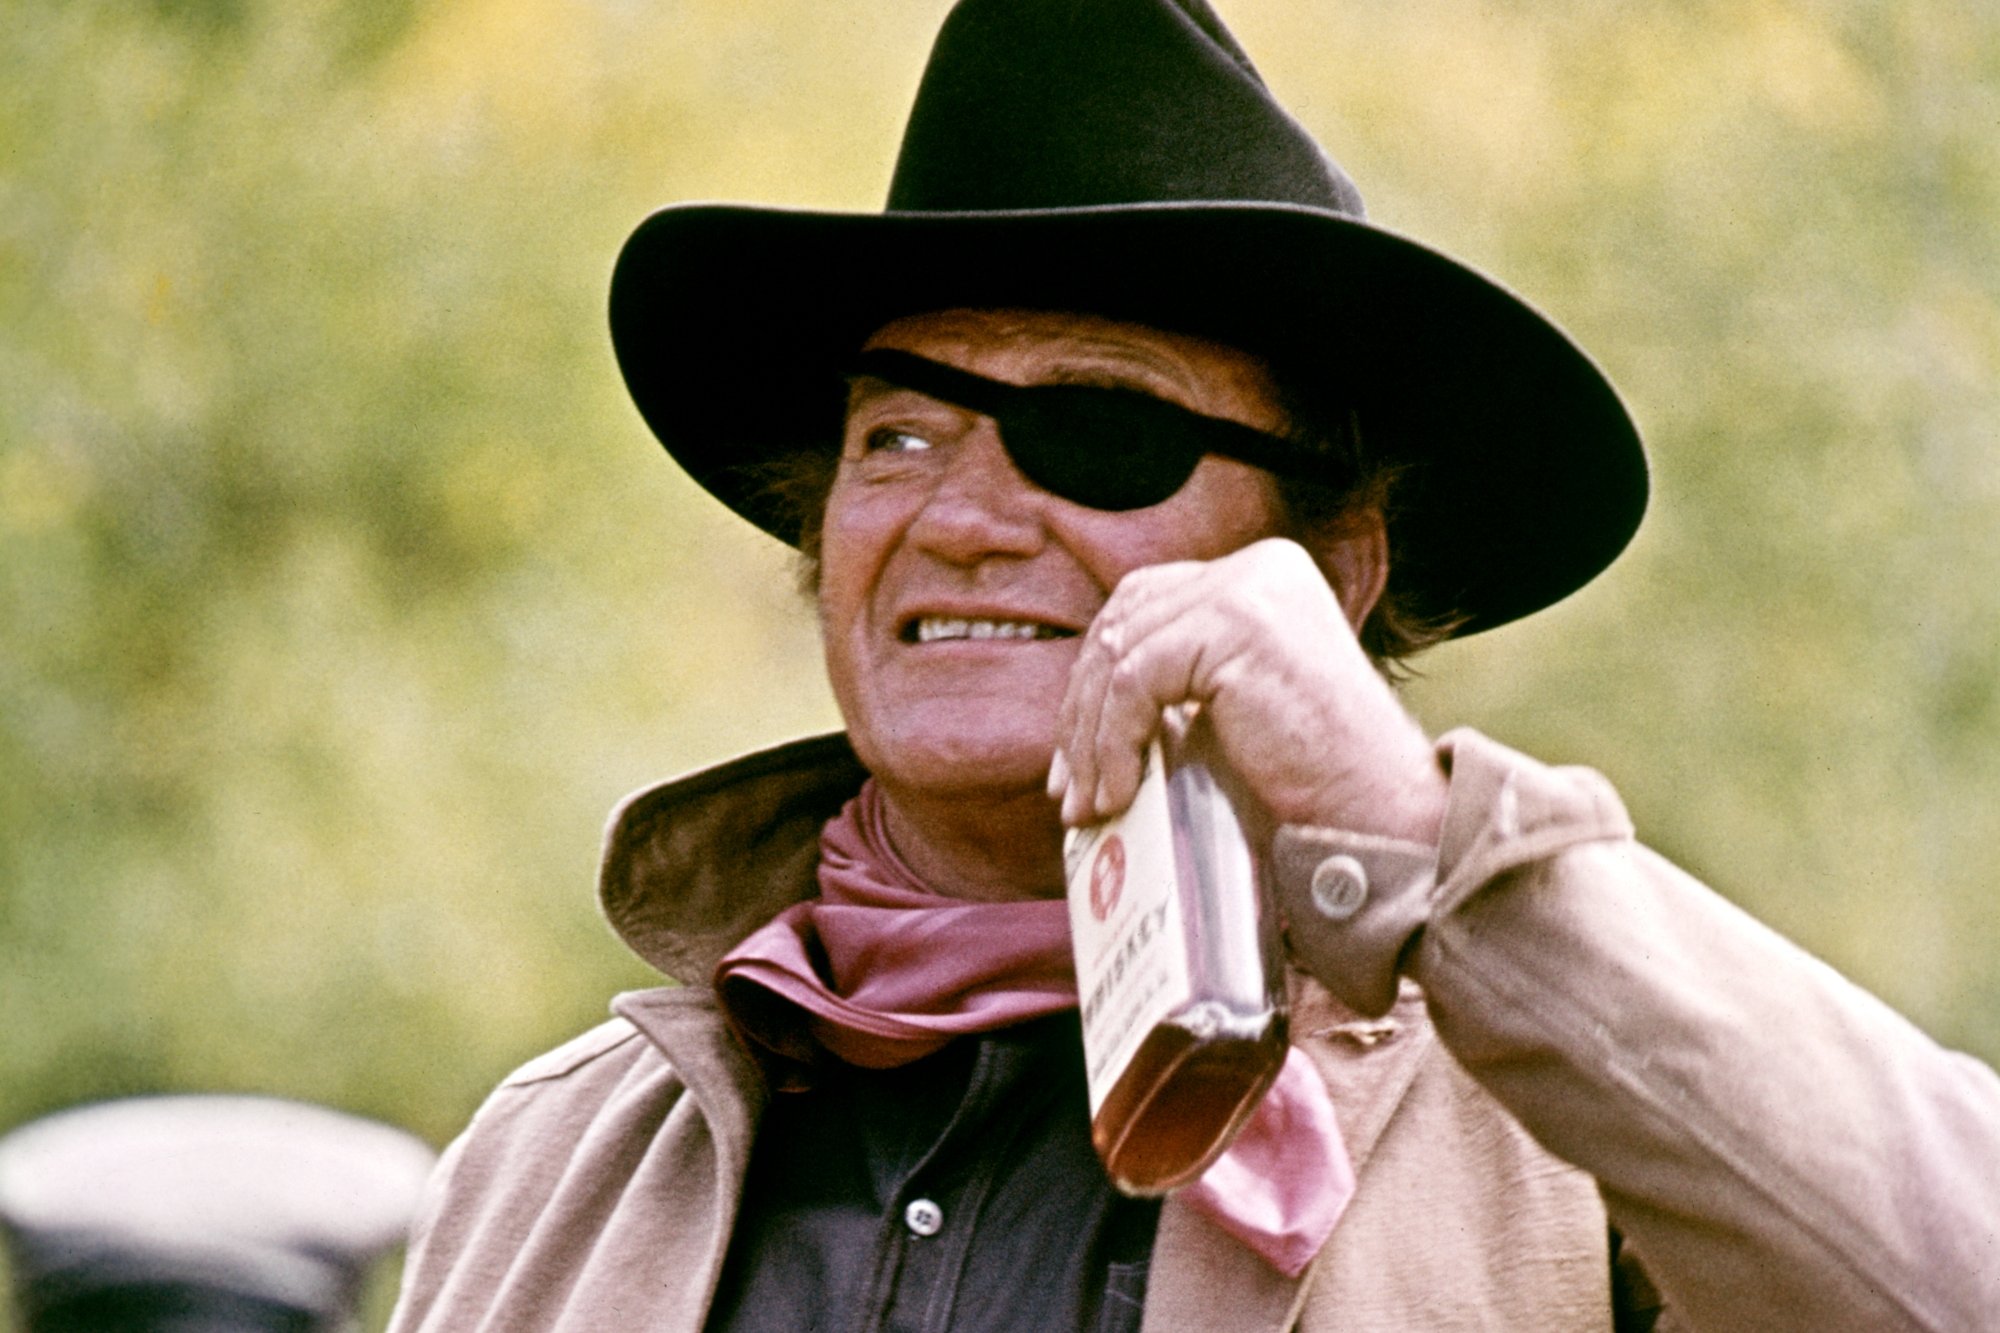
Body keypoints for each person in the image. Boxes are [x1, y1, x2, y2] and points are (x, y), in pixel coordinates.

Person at [386, 1, 2000, 1329]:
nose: (958, 518)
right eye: (897, 434)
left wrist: (1425, 851)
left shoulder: (1566, 1137)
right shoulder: (551, 1161)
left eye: (1101, 431)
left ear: (1329, 572)